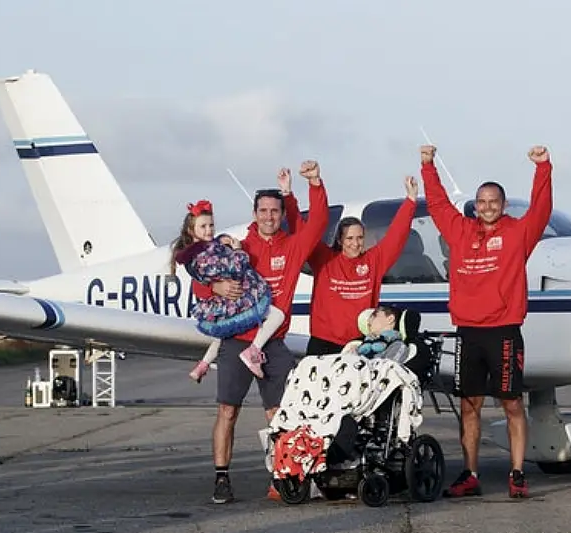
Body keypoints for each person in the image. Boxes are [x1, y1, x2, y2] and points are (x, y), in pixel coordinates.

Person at [420, 143, 553, 499]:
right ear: (475, 206)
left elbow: (542, 209)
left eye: (494, 201)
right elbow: (437, 205)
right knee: (469, 405)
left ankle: (517, 473)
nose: (488, 206)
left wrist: (543, 168)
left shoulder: (518, 233)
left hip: (504, 331)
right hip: (469, 332)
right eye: (482, 202)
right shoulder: (460, 231)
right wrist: (428, 166)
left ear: (503, 205)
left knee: (511, 403)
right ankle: (470, 474)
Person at [200, 160, 329, 504]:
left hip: (273, 344)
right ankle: (221, 478)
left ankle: (283, 477)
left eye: (274, 211)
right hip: (235, 342)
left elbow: (318, 222)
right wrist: (215, 289)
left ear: (280, 214)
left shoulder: (293, 246)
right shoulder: (238, 248)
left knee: (282, 414)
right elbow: (201, 284)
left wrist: (314, 184)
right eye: (263, 210)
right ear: (254, 213)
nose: (269, 216)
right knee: (228, 411)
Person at [284, 176, 419, 356]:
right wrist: (289, 194)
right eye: (349, 238)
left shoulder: (374, 261)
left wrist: (410, 200)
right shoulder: (324, 259)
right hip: (323, 343)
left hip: (358, 345)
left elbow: (396, 236)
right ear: (340, 240)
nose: (355, 244)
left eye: (359, 238)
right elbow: (301, 230)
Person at [170, 201, 286, 383]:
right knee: (277, 315)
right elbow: (235, 267)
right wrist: (238, 250)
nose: (209, 230)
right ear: (192, 231)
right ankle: (254, 350)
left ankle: (203, 364)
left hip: (220, 305)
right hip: (235, 300)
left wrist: (221, 241)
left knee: (225, 332)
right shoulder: (206, 254)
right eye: (203, 226)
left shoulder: (198, 252)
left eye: (211, 225)